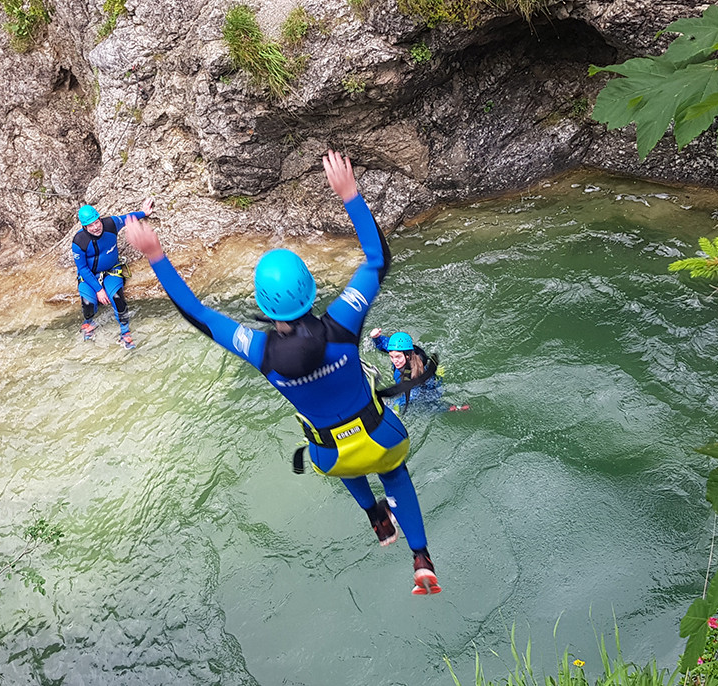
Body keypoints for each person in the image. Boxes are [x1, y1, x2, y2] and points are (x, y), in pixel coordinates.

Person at [124, 150, 441, 595]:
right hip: (380, 439)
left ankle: (374, 516)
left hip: (331, 457)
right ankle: (421, 557)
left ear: (263, 306)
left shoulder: (258, 350)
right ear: (310, 292)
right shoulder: (342, 323)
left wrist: (155, 255)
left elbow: (197, 313)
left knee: (335, 446)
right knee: (393, 471)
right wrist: (349, 195)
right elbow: (376, 261)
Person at [71, 198, 155, 349]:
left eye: (97, 222)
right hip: (90, 275)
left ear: (99, 218)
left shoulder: (110, 224)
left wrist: (144, 212)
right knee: (88, 304)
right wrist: (98, 290)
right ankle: (88, 324)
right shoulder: (79, 241)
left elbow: (128, 218)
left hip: (112, 270)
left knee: (117, 298)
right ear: (85, 227)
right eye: (91, 225)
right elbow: (82, 268)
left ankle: (125, 333)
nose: (96, 227)